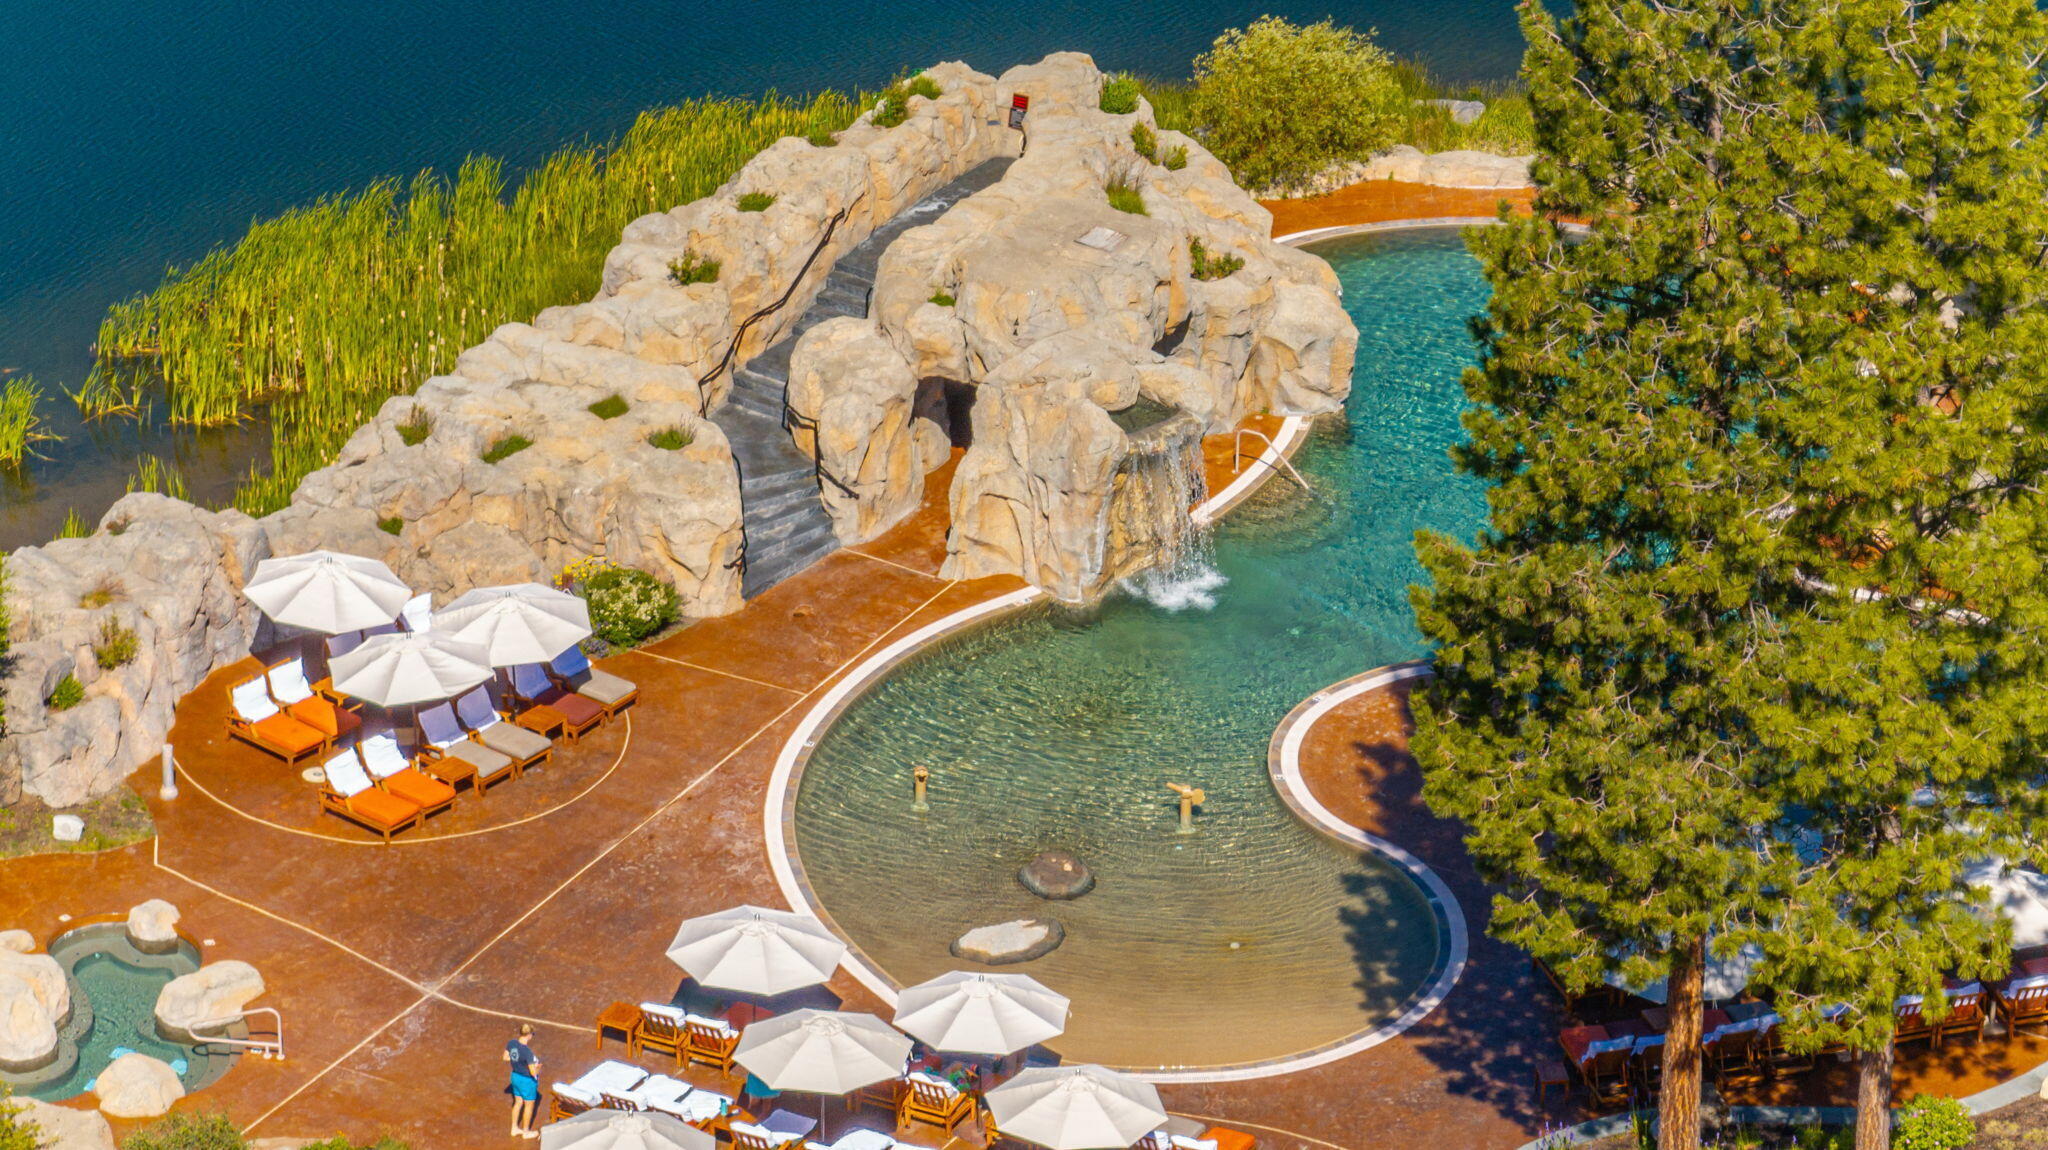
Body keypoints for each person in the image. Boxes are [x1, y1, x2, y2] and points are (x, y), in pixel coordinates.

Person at [504, 1022, 542, 1139]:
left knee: (518, 1102)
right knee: (529, 1106)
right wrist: (539, 1067)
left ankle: (514, 1128)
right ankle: (526, 1132)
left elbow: (505, 1057)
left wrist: (517, 1060)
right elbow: (533, 1072)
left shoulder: (512, 1043)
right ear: (529, 1035)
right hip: (527, 1081)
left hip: (515, 1076)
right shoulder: (527, 1052)